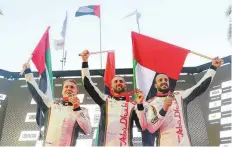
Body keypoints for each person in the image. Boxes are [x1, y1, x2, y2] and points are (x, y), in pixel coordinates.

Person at [145, 57, 224, 146]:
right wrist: (164, 109)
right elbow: (151, 127)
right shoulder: (150, 104)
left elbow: (201, 86)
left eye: (166, 80)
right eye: (160, 80)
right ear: (155, 85)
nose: (164, 82)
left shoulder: (179, 96)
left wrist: (213, 67)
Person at [80, 50, 147, 146]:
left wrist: (140, 105)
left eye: (121, 81)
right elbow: (87, 83)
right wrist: (85, 62)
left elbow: (142, 127)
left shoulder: (133, 105)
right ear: (111, 87)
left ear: (125, 86)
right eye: (115, 82)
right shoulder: (105, 100)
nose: (118, 83)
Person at [22, 62, 91, 146]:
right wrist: (27, 72)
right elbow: (35, 91)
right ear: (62, 91)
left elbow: (87, 130)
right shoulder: (51, 105)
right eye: (66, 87)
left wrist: (76, 107)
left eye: (72, 87)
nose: (69, 89)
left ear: (77, 92)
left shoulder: (82, 110)